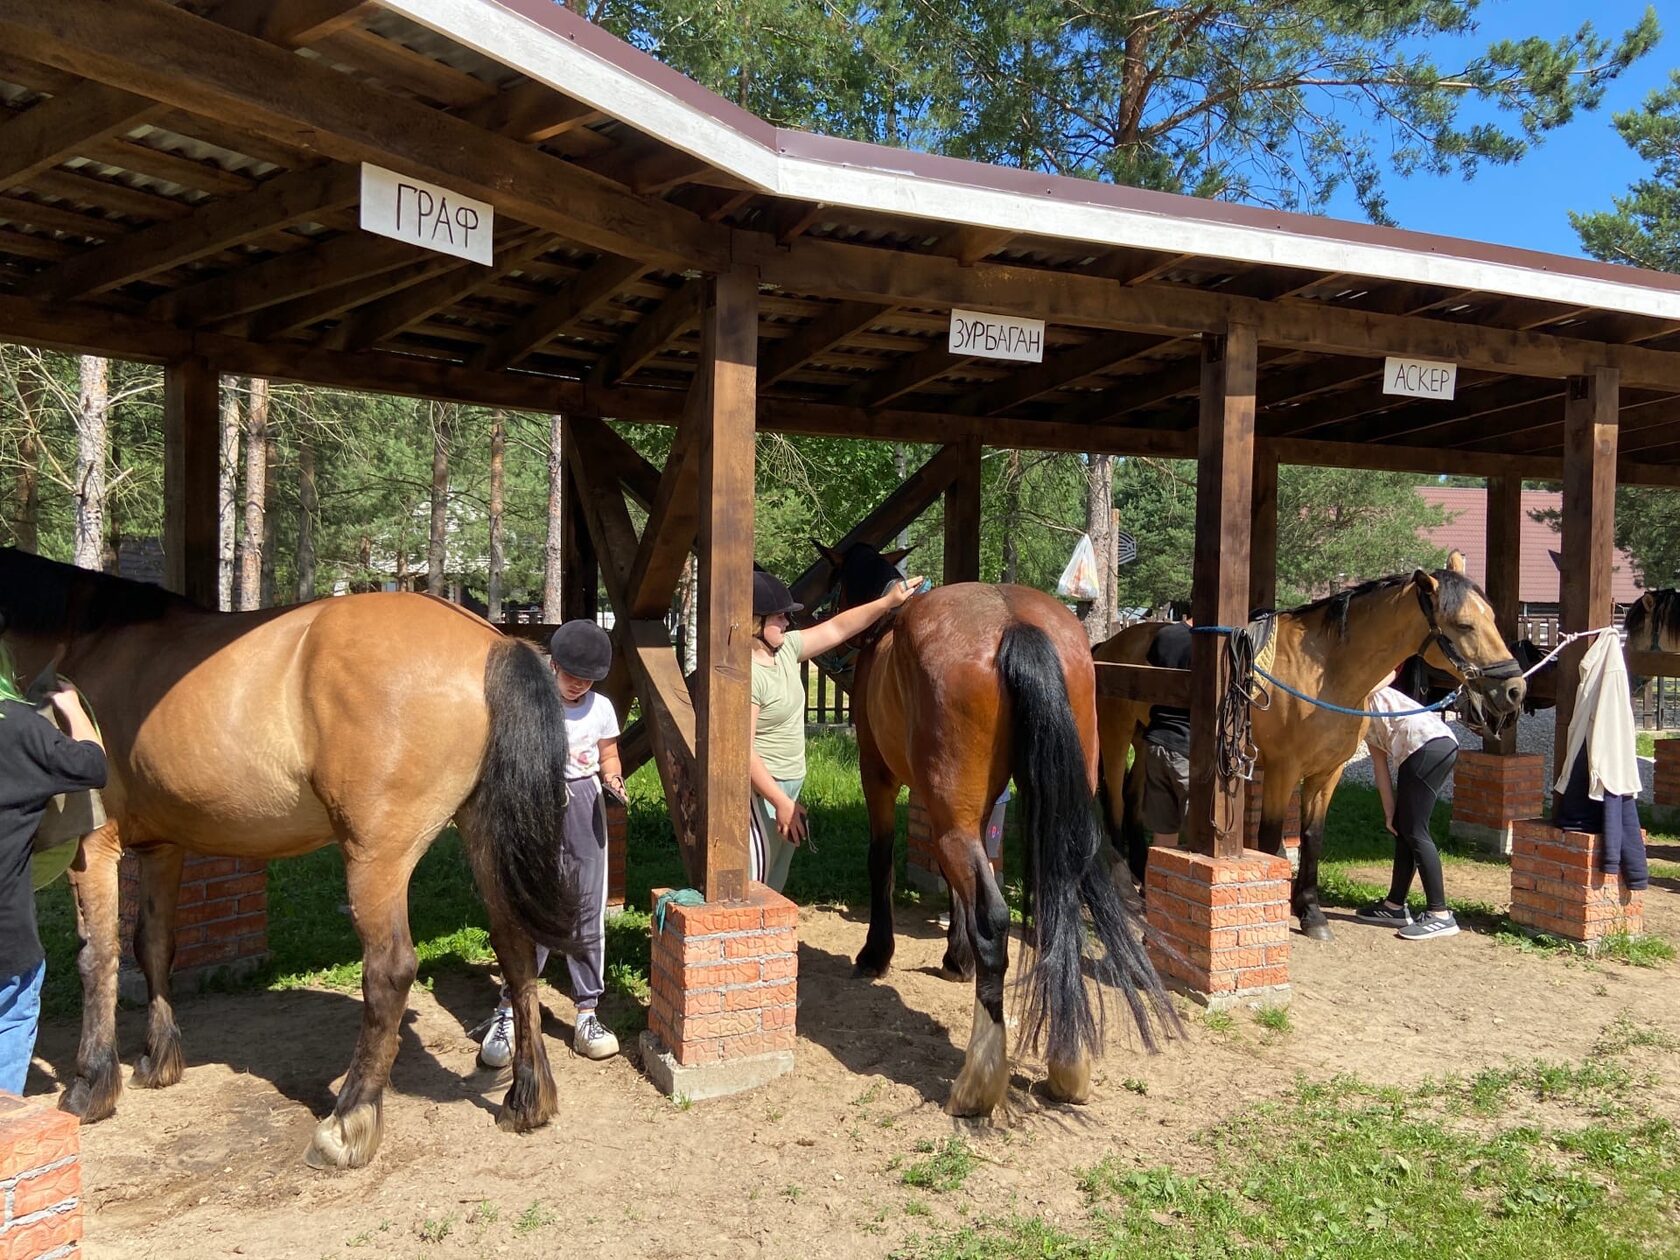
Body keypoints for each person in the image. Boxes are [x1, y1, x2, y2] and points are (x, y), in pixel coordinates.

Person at [479, 620, 625, 1068]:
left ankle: (587, 1012)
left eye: (589, 678)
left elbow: (609, 753)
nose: (580, 684)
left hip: (584, 802)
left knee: (586, 906)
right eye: (572, 674)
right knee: (530, 904)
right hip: (535, 801)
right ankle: (509, 1009)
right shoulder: (530, 702)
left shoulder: (600, 708)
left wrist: (613, 778)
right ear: (552, 664)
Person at [749, 568, 922, 892]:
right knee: (753, 884)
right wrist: (779, 801)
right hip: (759, 795)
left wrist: (887, 602)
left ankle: (766, 943)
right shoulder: (748, 674)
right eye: (780, 617)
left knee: (772, 885)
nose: (788, 622)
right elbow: (742, 751)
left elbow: (838, 627)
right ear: (755, 622)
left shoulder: (785, 650)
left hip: (787, 788)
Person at [0, 638, 107, 1095]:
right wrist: (70, 706)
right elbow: (91, 766)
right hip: (7, 938)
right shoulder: (21, 727)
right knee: (12, 1015)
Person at [1355, 668, 1460, 941]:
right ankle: (1394, 906)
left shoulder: (1360, 688)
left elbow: (1390, 670)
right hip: (1426, 747)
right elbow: (1379, 764)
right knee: (1405, 828)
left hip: (1427, 744)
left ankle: (1440, 914)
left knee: (1415, 830)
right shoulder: (1359, 717)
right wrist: (1390, 814)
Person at [1138, 617, 1193, 849]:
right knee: (1200, 839)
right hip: (1188, 749)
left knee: (1163, 836)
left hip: (1156, 741)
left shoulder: (1165, 636)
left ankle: (1159, 883)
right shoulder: (1215, 642)